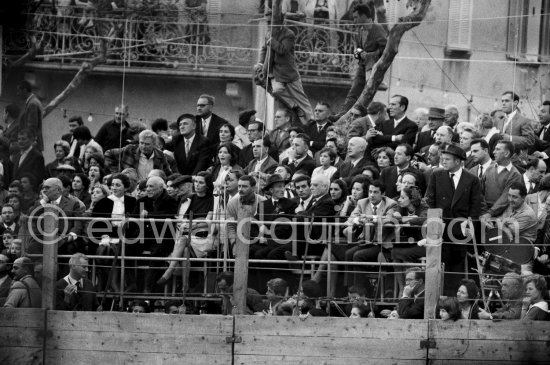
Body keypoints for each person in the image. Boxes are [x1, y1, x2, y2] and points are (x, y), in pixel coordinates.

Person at [425, 143, 481, 295]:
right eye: (442, 158)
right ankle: (439, 296)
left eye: (447, 159)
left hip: (460, 231)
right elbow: (429, 200)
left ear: (458, 161)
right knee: (440, 264)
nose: (443, 161)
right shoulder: (436, 175)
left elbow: (476, 207)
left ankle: (454, 297)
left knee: (457, 266)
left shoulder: (472, 180)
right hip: (440, 229)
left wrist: (469, 224)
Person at [254, 6, 312, 124]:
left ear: (280, 22)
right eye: (268, 22)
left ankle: (311, 121)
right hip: (275, 72)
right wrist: (260, 62)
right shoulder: (268, 33)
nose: (269, 24)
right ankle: (294, 106)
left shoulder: (289, 34)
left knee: (303, 100)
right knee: (276, 90)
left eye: (271, 22)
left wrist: (272, 41)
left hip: (289, 73)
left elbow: (282, 50)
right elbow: (264, 49)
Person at [339, 4, 387, 114]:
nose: (354, 20)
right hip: (362, 65)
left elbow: (385, 50)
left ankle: (368, 114)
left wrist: (370, 55)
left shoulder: (378, 29)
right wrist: (358, 52)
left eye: (356, 17)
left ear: (364, 16)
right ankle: (342, 114)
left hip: (374, 67)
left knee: (368, 92)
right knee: (354, 91)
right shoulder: (360, 30)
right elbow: (360, 46)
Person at [104, 130, 172, 179]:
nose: (143, 146)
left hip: (152, 190)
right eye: (141, 143)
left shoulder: (160, 155)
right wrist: (116, 173)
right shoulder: (129, 150)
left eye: (147, 144)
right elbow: (108, 153)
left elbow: (167, 174)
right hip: (131, 189)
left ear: (154, 144)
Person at [17, 80, 43, 151]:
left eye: (19, 91)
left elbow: (31, 126)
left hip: (31, 143)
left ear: (25, 90)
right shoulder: (33, 101)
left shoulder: (32, 103)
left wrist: (27, 143)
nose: (17, 93)